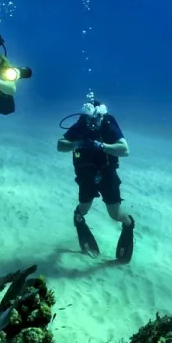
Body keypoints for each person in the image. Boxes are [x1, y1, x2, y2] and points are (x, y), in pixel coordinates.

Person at [56, 99, 136, 263]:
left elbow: (125, 150)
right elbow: (60, 145)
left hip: (107, 174)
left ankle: (128, 224)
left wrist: (102, 146)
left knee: (115, 214)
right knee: (83, 209)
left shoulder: (108, 123)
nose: (93, 123)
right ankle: (78, 219)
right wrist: (78, 143)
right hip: (86, 174)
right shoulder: (81, 124)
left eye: (96, 119)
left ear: (102, 115)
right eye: (89, 119)